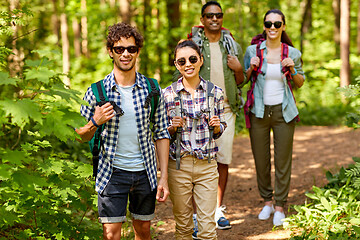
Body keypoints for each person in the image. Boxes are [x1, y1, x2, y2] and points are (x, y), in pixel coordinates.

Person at [75, 22, 170, 239]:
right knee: (111, 234)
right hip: (111, 172)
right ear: (110, 51)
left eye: (131, 49)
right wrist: (94, 122)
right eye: (119, 49)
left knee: (143, 230)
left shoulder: (153, 89)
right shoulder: (96, 91)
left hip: (145, 171)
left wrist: (163, 177)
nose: (125, 54)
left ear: (138, 51)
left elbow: (162, 133)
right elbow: (79, 135)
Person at [172, 0, 245, 230]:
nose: (214, 19)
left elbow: (241, 82)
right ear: (202, 20)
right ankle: (196, 215)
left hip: (224, 110)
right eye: (209, 16)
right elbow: (181, 72)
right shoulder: (193, 46)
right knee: (196, 159)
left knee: (222, 159)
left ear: (222, 18)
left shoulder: (232, 45)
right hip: (196, 110)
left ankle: (216, 210)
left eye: (218, 15)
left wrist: (239, 69)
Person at [243, 9, 305, 226]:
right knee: (261, 160)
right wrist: (250, 68)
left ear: (283, 27)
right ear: (264, 26)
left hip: (283, 111)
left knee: (282, 160)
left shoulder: (292, 53)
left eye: (277, 24)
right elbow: (243, 80)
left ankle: (280, 205)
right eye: (268, 24)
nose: (272, 28)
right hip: (258, 111)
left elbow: (300, 82)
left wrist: (292, 69)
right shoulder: (253, 50)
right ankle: (267, 202)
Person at [164, 39, 226, 240]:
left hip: (207, 166)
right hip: (178, 166)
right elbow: (162, 134)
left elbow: (220, 128)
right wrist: (172, 127)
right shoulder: (167, 95)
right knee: (183, 226)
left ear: (200, 61)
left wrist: (217, 125)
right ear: (176, 65)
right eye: (181, 61)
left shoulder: (215, 92)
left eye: (192, 59)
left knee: (208, 228)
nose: (187, 64)